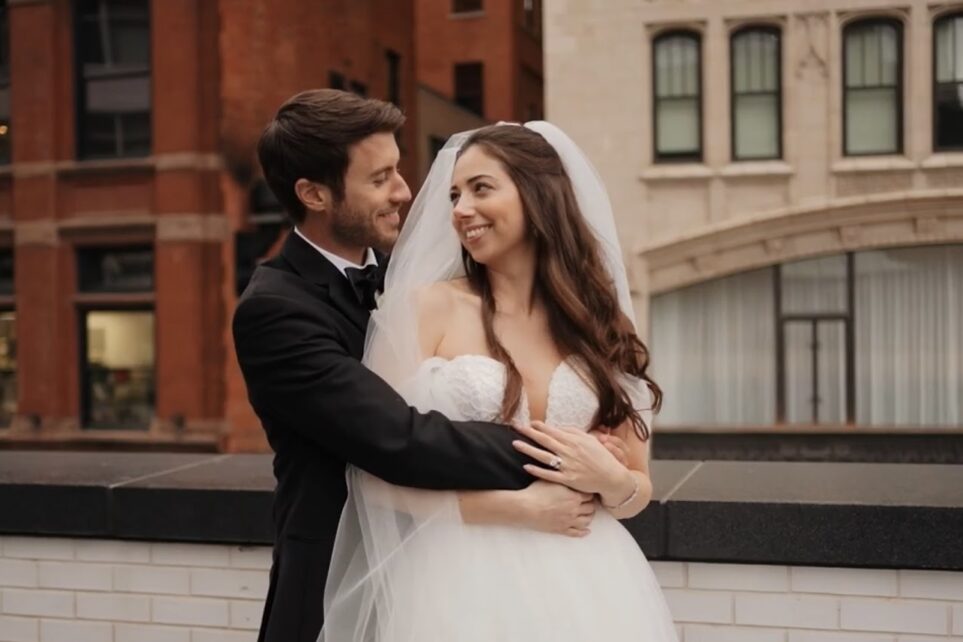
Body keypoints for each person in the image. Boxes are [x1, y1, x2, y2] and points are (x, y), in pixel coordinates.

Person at [232, 91, 594, 642]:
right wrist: (564, 448)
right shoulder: (275, 310)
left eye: (397, 171)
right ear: (314, 194)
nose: (404, 191)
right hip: (340, 586)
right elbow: (399, 439)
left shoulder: (414, 273)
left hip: (462, 572)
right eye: (379, 179)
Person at [320, 122, 679, 641]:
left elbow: (639, 487)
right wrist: (518, 508)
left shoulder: (599, 323)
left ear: (539, 195)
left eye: (481, 188)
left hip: (592, 583)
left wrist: (610, 479)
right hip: (458, 581)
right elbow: (372, 478)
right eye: (454, 195)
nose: (461, 209)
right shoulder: (427, 308)